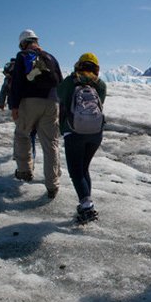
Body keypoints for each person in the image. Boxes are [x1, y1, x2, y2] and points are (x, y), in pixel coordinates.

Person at [9, 29, 62, 199]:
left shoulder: (23, 55)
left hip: (29, 102)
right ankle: (52, 185)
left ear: (23, 43)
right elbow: (59, 81)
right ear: (36, 41)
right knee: (51, 144)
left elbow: (17, 81)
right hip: (52, 102)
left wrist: (14, 105)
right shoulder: (51, 57)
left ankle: (25, 170)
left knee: (22, 134)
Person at [57, 52, 107, 222]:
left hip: (74, 131)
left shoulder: (70, 81)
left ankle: (87, 207)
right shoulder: (100, 85)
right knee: (84, 168)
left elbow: (59, 95)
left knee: (76, 171)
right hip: (95, 132)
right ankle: (87, 200)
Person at [0, 57, 36, 160]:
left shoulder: (9, 77)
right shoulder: (25, 74)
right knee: (30, 131)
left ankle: (18, 153)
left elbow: (3, 90)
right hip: (29, 105)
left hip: (14, 105)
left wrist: (1, 103)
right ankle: (30, 154)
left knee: (19, 131)